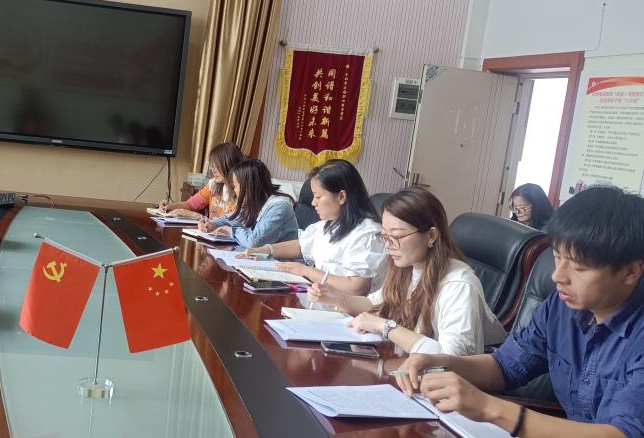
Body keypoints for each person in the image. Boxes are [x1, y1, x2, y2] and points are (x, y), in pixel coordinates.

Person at [396, 187, 644, 438]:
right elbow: (505, 366)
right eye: (557, 257)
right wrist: (443, 363)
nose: (557, 276)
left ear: (631, 271)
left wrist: (491, 409)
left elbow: (625, 434)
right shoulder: (562, 306)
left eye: (579, 268)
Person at [307, 187, 506, 355]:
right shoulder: (408, 267)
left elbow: (452, 358)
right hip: (407, 371)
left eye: (396, 236)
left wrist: (385, 327)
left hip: (436, 384)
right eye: (384, 236)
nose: (388, 246)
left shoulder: (459, 284)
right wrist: (336, 298)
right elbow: (376, 303)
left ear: (431, 236)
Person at [242, 159, 385, 295]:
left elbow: (357, 288)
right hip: (322, 299)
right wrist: (264, 250)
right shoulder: (330, 224)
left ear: (341, 196)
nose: (313, 203)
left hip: (349, 309)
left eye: (318, 196)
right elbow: (302, 245)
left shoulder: (366, 234)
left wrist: (307, 271)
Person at [199, 159, 297, 248]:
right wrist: (212, 223)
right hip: (262, 258)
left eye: (235, 186)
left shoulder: (280, 207)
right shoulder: (255, 201)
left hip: (283, 261)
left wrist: (231, 231)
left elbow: (254, 242)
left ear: (248, 187)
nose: (234, 191)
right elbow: (231, 219)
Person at [158, 142, 244, 220]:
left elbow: (233, 228)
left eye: (217, 166)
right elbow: (191, 204)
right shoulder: (213, 185)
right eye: (212, 165)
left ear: (230, 165)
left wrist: (200, 217)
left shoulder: (243, 193)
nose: (213, 170)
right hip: (208, 231)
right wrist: (170, 206)